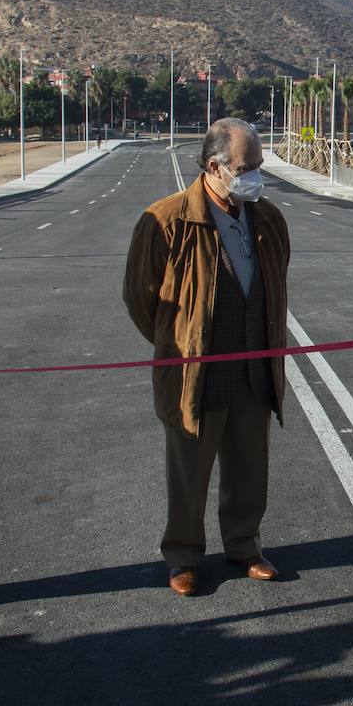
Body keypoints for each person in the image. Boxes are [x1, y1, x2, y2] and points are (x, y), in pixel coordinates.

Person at [123, 118, 290, 598]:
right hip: (197, 375)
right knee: (189, 472)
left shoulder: (269, 220)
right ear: (214, 167)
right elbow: (141, 299)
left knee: (249, 468)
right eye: (247, 167)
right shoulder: (168, 221)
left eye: (258, 165)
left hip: (255, 370)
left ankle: (243, 546)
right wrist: (180, 346)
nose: (256, 175)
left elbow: (275, 283)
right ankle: (183, 556)